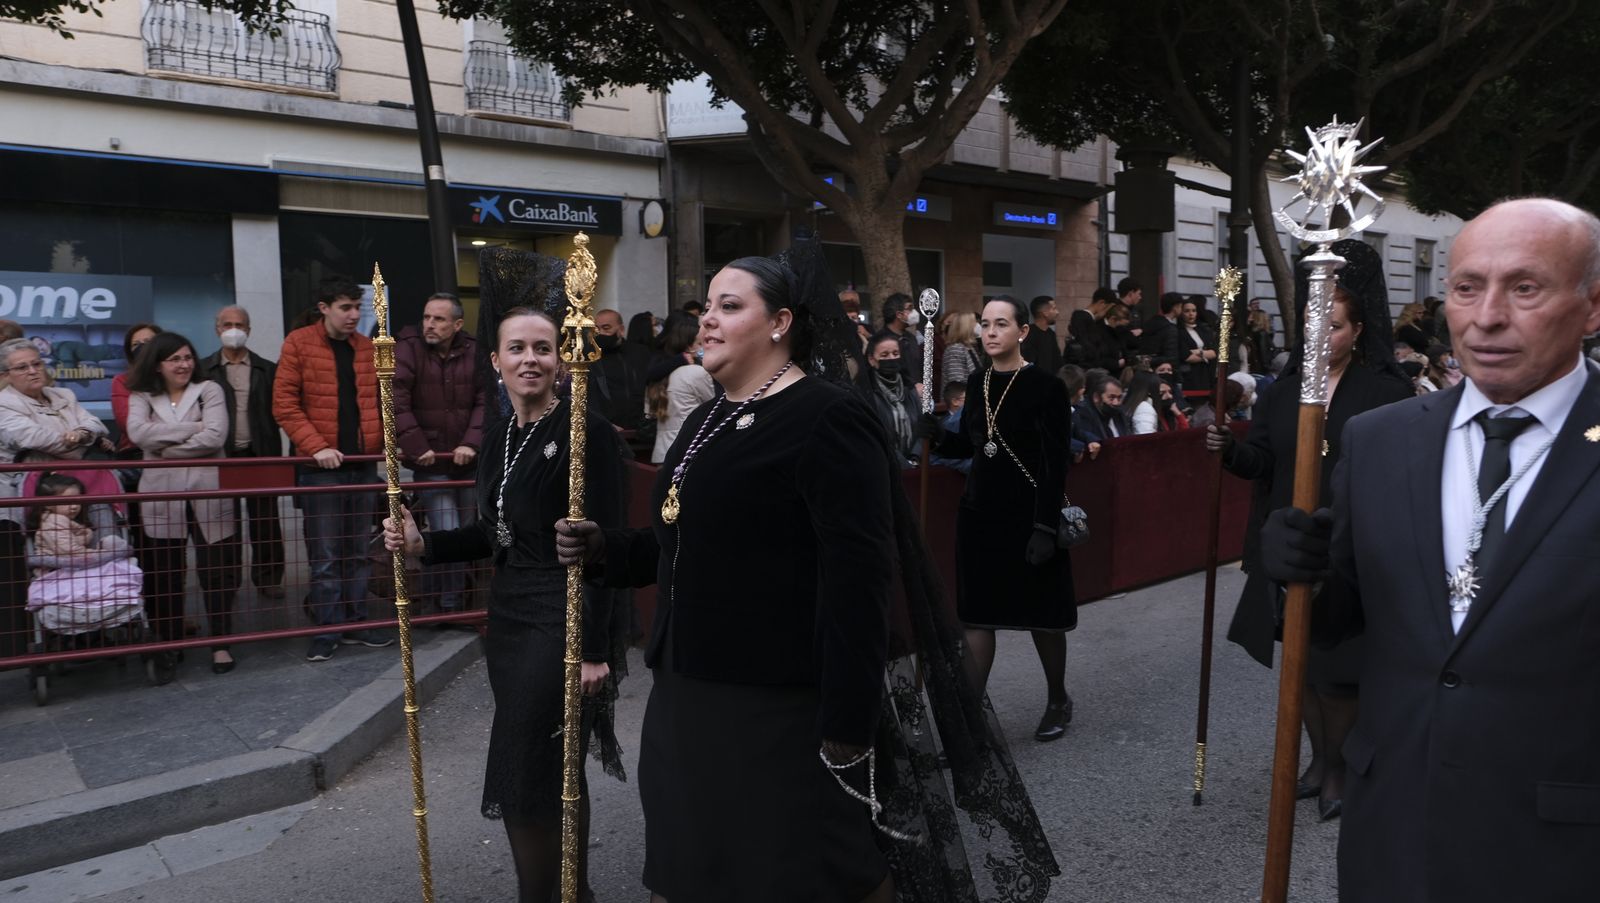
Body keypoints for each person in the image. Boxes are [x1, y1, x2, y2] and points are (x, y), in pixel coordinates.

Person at [555, 242, 1058, 903]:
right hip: (686, 696)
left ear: (780, 323)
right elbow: (692, 540)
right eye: (706, 308)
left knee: (805, 875)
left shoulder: (827, 417)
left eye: (729, 306)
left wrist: (848, 721)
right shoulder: (707, 416)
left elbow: (859, 582)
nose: (708, 319)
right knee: (691, 874)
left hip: (779, 707)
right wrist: (607, 550)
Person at [1259, 198, 1600, 902]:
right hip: (1393, 829)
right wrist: (1303, 576)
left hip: (1562, 846)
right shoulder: (1383, 439)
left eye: (1525, 287)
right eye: (1467, 287)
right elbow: (1343, 621)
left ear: (1592, 306)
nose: (1487, 316)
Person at [385, 299, 626, 903]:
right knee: (545, 767)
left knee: (531, 767)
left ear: (562, 361)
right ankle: (569, 893)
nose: (530, 359)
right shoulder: (499, 438)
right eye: (517, 348)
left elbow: (609, 545)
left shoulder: (586, 432)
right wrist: (423, 545)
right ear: (495, 361)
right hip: (511, 617)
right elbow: (493, 532)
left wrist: (594, 648)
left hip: (562, 616)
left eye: (543, 348)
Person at [1205, 238, 1413, 823]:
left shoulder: (1387, 394)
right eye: (1313, 325)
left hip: (1348, 556)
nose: (1323, 336)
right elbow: (1264, 463)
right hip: (1289, 548)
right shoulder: (1283, 390)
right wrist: (1229, 451)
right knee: (1302, 668)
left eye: (1335, 326)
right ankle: (1319, 762)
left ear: (1358, 330)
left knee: (1339, 672)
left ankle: (1341, 769)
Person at [931, 294, 1077, 743]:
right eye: (985, 325)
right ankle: (970, 723)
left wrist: (1045, 527)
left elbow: (1055, 462)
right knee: (978, 618)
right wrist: (936, 434)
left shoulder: (1047, 388)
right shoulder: (977, 382)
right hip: (980, 516)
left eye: (1001, 324)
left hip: (1030, 516)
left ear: (1022, 331)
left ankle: (1058, 699)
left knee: (1042, 615)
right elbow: (971, 445)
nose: (990, 332)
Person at [273, 275, 393, 663]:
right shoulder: (299, 343)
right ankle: (327, 630)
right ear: (324, 308)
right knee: (324, 556)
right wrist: (317, 447)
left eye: (357, 307)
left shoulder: (366, 347)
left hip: (361, 464)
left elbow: (381, 400)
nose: (354, 315)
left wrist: (381, 442)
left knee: (357, 551)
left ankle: (356, 622)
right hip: (321, 467)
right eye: (345, 308)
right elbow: (284, 405)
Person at [125, 332, 243, 679]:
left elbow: (215, 436)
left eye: (188, 357)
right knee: (166, 571)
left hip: (209, 491)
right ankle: (170, 640)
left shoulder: (209, 390)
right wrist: (194, 428)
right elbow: (138, 434)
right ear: (157, 365)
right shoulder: (142, 394)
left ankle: (220, 642)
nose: (183, 365)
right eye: (174, 359)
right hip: (161, 494)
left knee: (217, 570)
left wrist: (165, 448)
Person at [393, 292, 487, 619]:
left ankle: (445, 600)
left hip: (467, 461)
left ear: (457, 324)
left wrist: (471, 443)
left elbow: (485, 400)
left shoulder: (474, 350)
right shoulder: (409, 347)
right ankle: (448, 606)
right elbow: (396, 399)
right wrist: (418, 447)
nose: (429, 324)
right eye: (426, 317)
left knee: (465, 531)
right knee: (446, 529)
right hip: (431, 461)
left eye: (439, 319)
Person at [198, 305, 285, 599]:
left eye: (239, 325)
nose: (233, 330)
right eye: (227, 324)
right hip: (221, 456)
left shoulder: (267, 369)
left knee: (266, 520)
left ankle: (269, 577)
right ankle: (228, 580)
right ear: (217, 329)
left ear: (249, 330)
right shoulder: (203, 370)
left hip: (260, 453)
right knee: (225, 521)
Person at [646, 314, 715, 465]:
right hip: (687, 450)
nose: (703, 347)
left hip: (663, 451)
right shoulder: (696, 372)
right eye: (700, 343)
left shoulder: (661, 375)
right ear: (689, 346)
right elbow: (714, 404)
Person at [862, 330, 920, 467]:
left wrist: (915, 458)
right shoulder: (867, 394)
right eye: (884, 355)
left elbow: (921, 427)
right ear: (871, 359)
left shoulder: (910, 390)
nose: (891, 358)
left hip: (915, 465)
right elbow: (877, 437)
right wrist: (902, 464)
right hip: (883, 467)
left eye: (895, 353)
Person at [592, 307, 652, 437]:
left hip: (642, 431)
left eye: (606, 328)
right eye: (596, 329)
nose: (600, 333)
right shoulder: (591, 359)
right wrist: (606, 423)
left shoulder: (640, 353)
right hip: (607, 432)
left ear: (621, 330)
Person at [111, 323, 162, 456]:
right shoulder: (122, 381)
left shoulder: (175, 377)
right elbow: (129, 426)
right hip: (135, 452)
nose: (142, 348)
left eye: (148, 342)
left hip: (179, 449)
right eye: (136, 344)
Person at [880, 292, 924, 392]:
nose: (914, 312)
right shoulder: (881, 341)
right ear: (899, 314)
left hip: (917, 396)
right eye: (910, 308)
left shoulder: (911, 338)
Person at [1177, 297, 1219, 394]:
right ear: (1181, 313)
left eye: (1193, 311)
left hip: (1206, 373)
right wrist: (1205, 355)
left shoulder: (1203, 329)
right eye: (1187, 311)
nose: (1191, 314)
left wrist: (1198, 352)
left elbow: (1214, 353)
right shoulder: (1178, 331)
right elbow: (1187, 357)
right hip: (1189, 375)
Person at [1076, 373, 1129, 441]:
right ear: (1096, 397)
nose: (1116, 402)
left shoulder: (1120, 414)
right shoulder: (1084, 415)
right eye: (1111, 397)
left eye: (1119, 398)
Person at [1021, 295, 1063, 375]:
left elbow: (1057, 362)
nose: (1057, 312)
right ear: (1045, 313)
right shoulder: (1028, 334)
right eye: (1054, 308)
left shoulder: (1051, 334)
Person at [940, 310, 982, 389]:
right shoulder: (955, 349)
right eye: (974, 322)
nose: (977, 325)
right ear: (965, 327)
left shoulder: (969, 348)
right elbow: (957, 384)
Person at [1139, 292, 1185, 365]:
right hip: (1165, 368)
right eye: (1180, 306)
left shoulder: (1151, 323)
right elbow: (1171, 357)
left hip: (1148, 366)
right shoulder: (1170, 329)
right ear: (1175, 307)